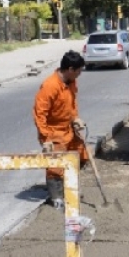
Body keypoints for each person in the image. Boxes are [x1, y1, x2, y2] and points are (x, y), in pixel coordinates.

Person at [34, 50, 88, 209]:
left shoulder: (71, 82)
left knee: (81, 155)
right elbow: (39, 113)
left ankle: (69, 186)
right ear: (70, 69)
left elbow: (71, 104)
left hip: (69, 128)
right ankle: (56, 196)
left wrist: (76, 119)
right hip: (53, 131)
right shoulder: (50, 86)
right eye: (78, 71)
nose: (80, 74)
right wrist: (46, 139)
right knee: (56, 166)